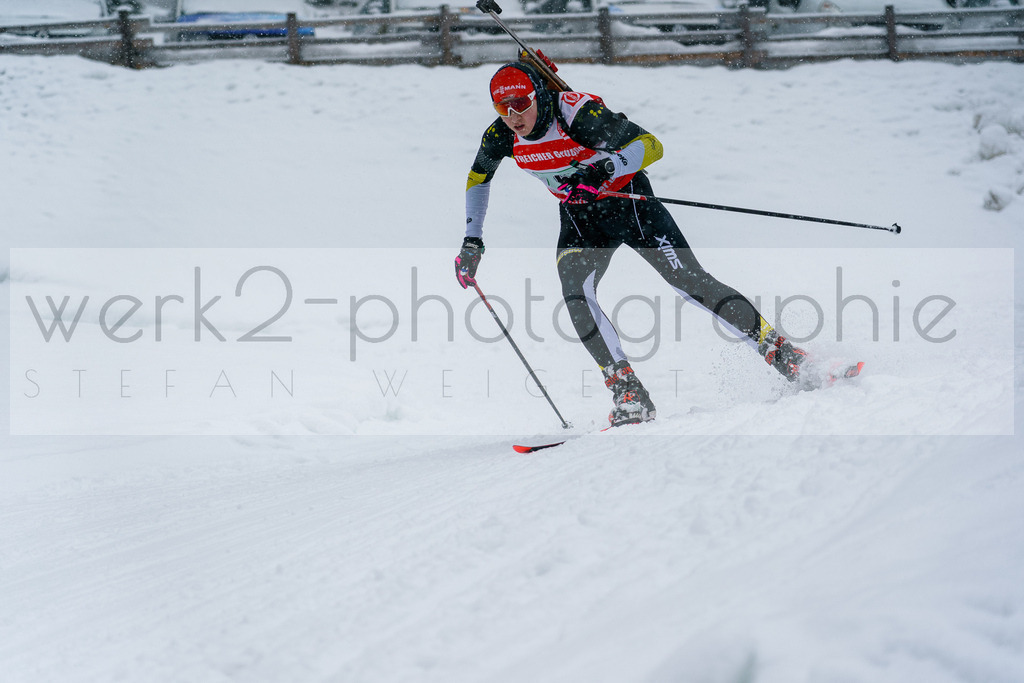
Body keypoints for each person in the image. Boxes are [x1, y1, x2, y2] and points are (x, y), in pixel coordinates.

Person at [455, 59, 807, 427]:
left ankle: (783, 354)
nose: (513, 115)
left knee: (687, 281)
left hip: (630, 203)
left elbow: (651, 145)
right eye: (502, 107)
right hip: (581, 217)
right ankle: (628, 392)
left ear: (538, 95)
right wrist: (471, 241)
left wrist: (603, 168)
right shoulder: (500, 135)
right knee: (575, 293)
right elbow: (477, 179)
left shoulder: (577, 114)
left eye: (521, 104)